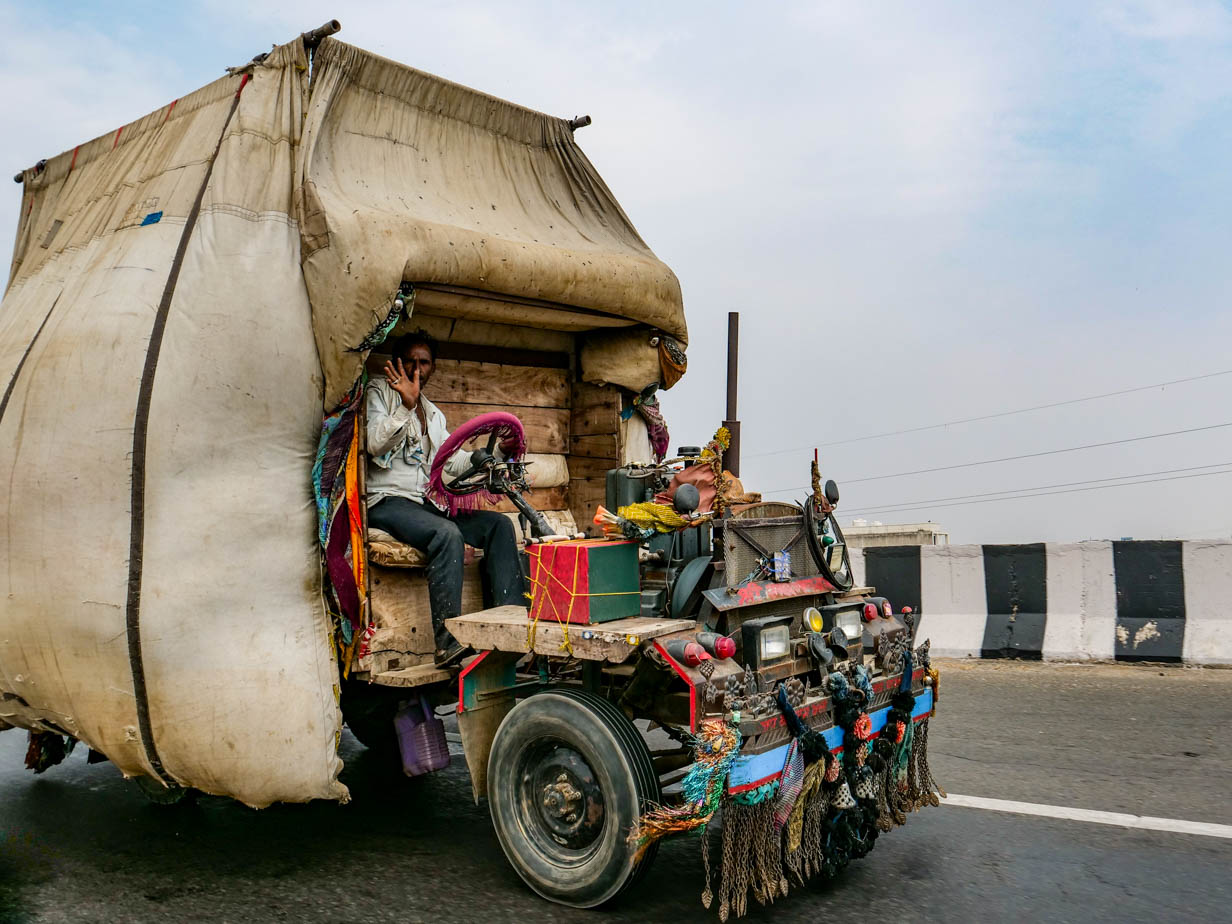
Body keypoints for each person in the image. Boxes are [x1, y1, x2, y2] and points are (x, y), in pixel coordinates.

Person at [366, 330, 524, 665]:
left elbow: (450, 461)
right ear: (398, 361)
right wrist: (404, 407)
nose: (417, 368)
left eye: (424, 362)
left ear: (433, 367)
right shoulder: (378, 392)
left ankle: (510, 625)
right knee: (446, 533)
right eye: (410, 360)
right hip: (386, 500)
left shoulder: (433, 414)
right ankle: (446, 643)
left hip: (421, 503)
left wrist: (491, 452)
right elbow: (374, 443)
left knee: (498, 525)